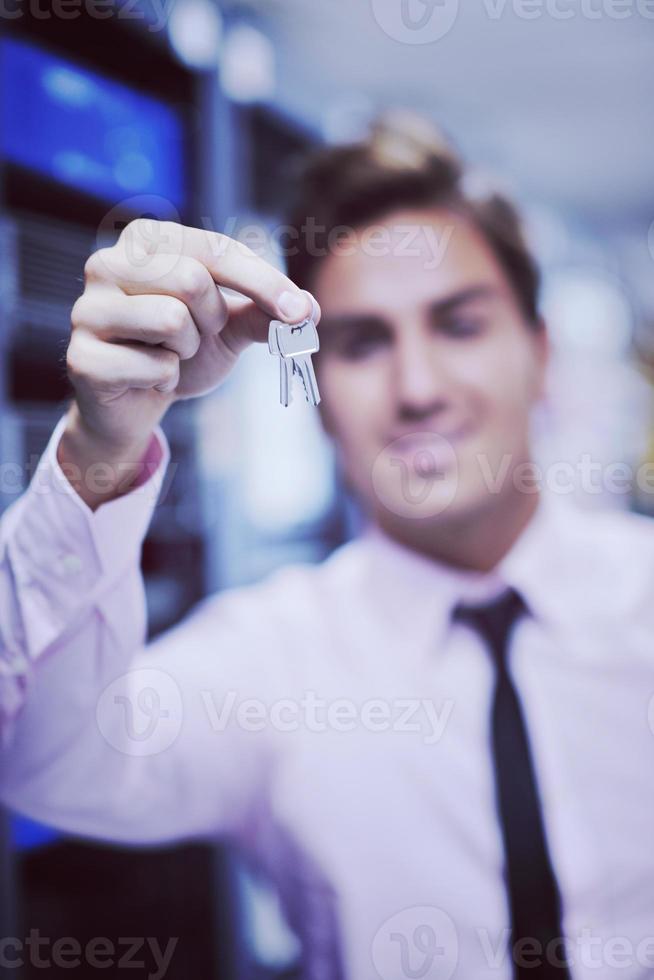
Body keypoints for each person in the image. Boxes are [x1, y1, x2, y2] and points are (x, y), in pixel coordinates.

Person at [1, 115, 653, 980]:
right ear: (314, 390)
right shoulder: (268, 661)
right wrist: (98, 451)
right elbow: (40, 763)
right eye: (362, 343)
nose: (417, 389)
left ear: (539, 353)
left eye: (458, 325)